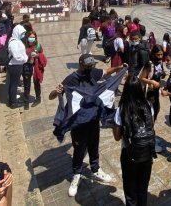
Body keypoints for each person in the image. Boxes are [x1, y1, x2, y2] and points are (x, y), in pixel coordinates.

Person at [49, 55, 125, 197]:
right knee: (79, 148)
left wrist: (120, 68)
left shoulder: (93, 73)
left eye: (92, 66)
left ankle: (95, 169)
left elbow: (107, 71)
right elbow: (51, 96)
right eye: (88, 66)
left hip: (93, 119)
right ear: (80, 65)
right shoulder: (71, 78)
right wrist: (57, 91)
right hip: (78, 122)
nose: (90, 69)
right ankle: (76, 174)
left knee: (94, 145)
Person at [113, 75, 155, 206]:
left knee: (130, 191)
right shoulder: (148, 105)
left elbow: (117, 137)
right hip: (147, 152)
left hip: (129, 154)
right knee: (142, 189)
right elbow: (151, 126)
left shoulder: (122, 109)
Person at [140, 45, 167, 153]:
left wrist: (163, 75)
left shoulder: (159, 63)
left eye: (161, 54)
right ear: (153, 54)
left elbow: (160, 75)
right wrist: (151, 82)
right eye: (158, 55)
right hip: (148, 94)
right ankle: (149, 141)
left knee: (155, 113)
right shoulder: (149, 64)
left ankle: (150, 135)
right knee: (149, 115)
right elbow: (141, 78)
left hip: (155, 93)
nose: (160, 56)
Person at [22, 30, 47, 108]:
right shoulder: (24, 46)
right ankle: (26, 101)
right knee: (27, 84)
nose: (32, 39)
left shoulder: (38, 45)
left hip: (36, 67)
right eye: (30, 37)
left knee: (36, 83)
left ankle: (38, 98)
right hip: (26, 66)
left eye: (33, 37)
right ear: (27, 38)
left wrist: (37, 55)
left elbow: (41, 54)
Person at [6, 24, 28, 108]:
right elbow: (17, 56)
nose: (23, 35)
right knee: (14, 84)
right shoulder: (14, 42)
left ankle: (12, 100)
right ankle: (13, 102)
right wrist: (25, 59)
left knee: (13, 83)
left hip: (16, 65)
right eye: (21, 33)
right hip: (15, 65)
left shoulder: (15, 40)